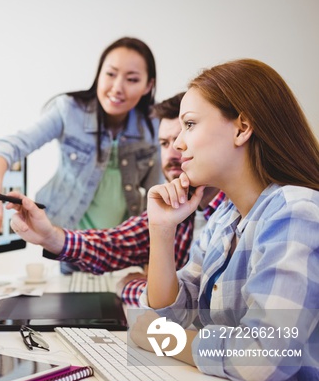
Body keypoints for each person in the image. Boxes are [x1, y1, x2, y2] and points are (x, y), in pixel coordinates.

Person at [130, 59, 318, 381]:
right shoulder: (226, 218)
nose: (178, 144)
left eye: (189, 125)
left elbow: (263, 358)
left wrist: (162, 338)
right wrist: (162, 230)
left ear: (242, 128)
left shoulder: (296, 211)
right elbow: (170, 312)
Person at [24, 93, 225, 305]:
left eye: (181, 140)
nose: (173, 153)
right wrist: (50, 236)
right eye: (164, 143)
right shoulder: (182, 206)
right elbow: (117, 243)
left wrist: (131, 287)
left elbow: (192, 304)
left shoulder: (235, 213)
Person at [0, 37, 162, 264]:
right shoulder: (69, 110)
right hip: (63, 244)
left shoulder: (154, 127)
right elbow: (10, 145)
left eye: (132, 79)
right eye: (110, 74)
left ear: (148, 86)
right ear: (99, 73)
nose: (117, 88)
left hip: (116, 254)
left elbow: (157, 197)